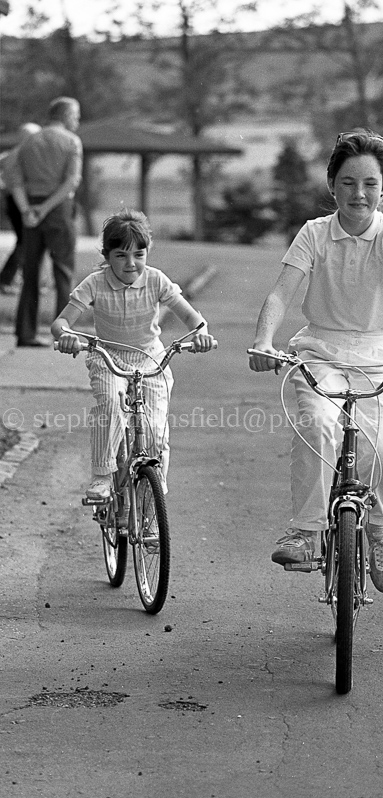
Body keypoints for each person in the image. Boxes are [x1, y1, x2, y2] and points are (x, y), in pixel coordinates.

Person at [249, 129, 383, 594]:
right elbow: (282, 292)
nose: (358, 193)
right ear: (331, 185)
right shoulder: (315, 233)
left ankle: (381, 530)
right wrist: (264, 341)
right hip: (320, 351)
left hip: (379, 355)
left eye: (369, 183)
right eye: (347, 182)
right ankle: (306, 530)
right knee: (317, 422)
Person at [51, 208, 215, 501]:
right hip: (108, 356)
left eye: (139, 255)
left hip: (150, 358)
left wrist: (201, 333)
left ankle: (153, 502)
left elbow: (192, 318)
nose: (131, 263)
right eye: (121, 255)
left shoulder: (156, 280)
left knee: (154, 430)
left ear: (147, 253)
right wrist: (66, 337)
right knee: (111, 405)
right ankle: (102, 476)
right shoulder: (95, 283)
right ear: (106, 255)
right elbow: (61, 322)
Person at [10, 97, 82, 347]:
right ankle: (63, 333)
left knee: (30, 273)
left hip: (30, 209)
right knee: (63, 271)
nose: (77, 121)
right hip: (58, 209)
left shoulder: (29, 140)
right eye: (76, 115)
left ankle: (25, 332)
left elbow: (14, 179)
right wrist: (46, 208)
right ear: (65, 115)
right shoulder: (71, 141)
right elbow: (71, 181)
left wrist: (27, 209)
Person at [0, 123, 41, 294]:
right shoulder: (23, 154)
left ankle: (23, 279)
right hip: (21, 201)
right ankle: (6, 279)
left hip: (12, 200)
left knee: (25, 241)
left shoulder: (8, 155)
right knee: (26, 241)